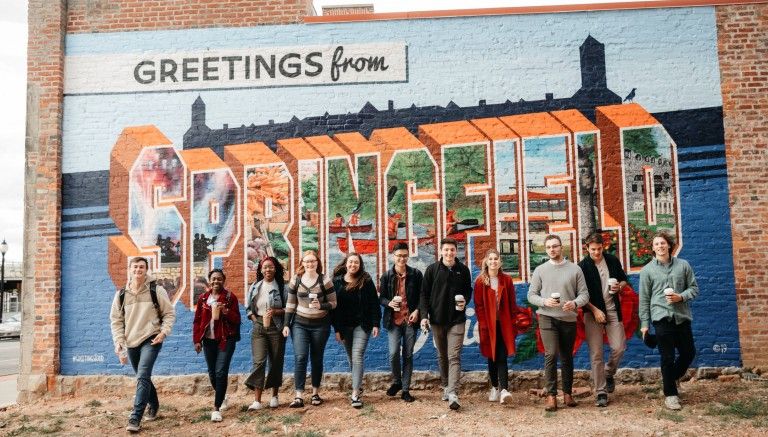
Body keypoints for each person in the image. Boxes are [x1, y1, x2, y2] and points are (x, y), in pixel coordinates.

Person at [110, 257, 176, 433]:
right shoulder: (121, 294)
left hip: (151, 338)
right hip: (131, 340)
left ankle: (135, 417)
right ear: (129, 269)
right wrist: (119, 342)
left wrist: (163, 333)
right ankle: (153, 404)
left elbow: (169, 314)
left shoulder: (156, 290)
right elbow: (116, 321)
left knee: (142, 375)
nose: (138, 270)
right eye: (135, 267)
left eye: (142, 267)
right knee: (142, 376)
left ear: (146, 270)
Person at [527, 234, 589, 412]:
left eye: (555, 246)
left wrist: (575, 303)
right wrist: (544, 302)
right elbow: (531, 295)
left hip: (568, 318)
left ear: (561, 247)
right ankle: (551, 395)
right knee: (551, 354)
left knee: (567, 356)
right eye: (548, 247)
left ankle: (568, 393)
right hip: (547, 317)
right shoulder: (540, 270)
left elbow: (584, 295)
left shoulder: (575, 269)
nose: (552, 250)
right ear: (546, 249)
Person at [639, 231, 698, 411]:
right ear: (652, 248)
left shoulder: (684, 265)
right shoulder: (647, 270)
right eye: (656, 244)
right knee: (667, 357)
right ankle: (671, 395)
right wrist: (644, 324)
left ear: (669, 245)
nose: (660, 246)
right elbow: (644, 299)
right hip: (661, 317)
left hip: (681, 316)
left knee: (689, 353)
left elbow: (694, 289)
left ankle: (670, 380)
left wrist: (681, 297)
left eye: (663, 243)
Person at [419, 238, 472, 410]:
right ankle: (445, 385)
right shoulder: (432, 270)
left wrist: (465, 301)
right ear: (440, 251)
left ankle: (453, 392)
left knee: (454, 356)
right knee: (442, 355)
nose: (449, 253)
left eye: (452, 250)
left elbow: (468, 291)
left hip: (457, 320)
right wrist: (424, 316)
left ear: (456, 251)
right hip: (437, 320)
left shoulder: (463, 270)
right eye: (446, 250)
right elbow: (424, 295)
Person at [578, 232, 629, 407]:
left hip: (613, 310)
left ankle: (608, 373)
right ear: (586, 248)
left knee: (619, 347)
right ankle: (601, 392)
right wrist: (594, 310)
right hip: (592, 313)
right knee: (596, 354)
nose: (597, 252)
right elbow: (580, 295)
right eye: (593, 249)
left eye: (599, 249)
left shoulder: (612, 260)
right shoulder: (582, 267)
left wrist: (619, 287)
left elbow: (623, 280)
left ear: (603, 246)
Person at [282, 250, 337, 408]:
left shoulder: (324, 279)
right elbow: (291, 303)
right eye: (307, 261)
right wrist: (286, 324)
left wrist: (321, 305)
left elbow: (334, 303)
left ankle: (315, 393)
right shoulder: (296, 279)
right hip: (300, 324)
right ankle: (298, 396)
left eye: (313, 261)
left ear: (317, 262)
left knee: (316, 357)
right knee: (300, 357)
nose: (310, 264)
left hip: (321, 324)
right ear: (302, 263)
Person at [331, 253, 381, 408]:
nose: (353, 265)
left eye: (356, 263)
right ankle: (358, 386)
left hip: (362, 324)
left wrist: (375, 323)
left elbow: (374, 302)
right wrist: (337, 329)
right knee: (351, 357)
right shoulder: (337, 282)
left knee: (357, 355)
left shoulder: (365, 280)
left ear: (360, 265)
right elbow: (334, 309)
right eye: (351, 262)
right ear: (346, 264)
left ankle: (355, 393)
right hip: (345, 326)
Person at [192, 269, 242, 422]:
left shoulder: (229, 297)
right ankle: (222, 395)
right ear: (209, 281)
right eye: (213, 279)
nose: (216, 282)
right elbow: (197, 321)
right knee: (213, 374)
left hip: (226, 340)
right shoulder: (202, 299)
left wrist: (225, 311)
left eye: (219, 279)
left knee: (220, 372)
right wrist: (197, 340)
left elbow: (237, 320)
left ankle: (216, 408)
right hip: (208, 341)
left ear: (223, 280)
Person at [474, 249, 522, 405]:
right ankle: (494, 386)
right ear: (486, 261)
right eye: (491, 259)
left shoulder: (506, 280)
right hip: (488, 325)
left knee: (501, 356)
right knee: (491, 356)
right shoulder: (480, 281)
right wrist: (483, 325)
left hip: (504, 324)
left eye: (496, 259)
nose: (493, 261)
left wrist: (513, 322)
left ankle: (504, 390)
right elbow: (479, 306)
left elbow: (512, 303)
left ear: (500, 262)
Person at [379, 242, 422, 403]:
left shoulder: (416, 274)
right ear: (393, 256)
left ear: (408, 256)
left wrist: (417, 311)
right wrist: (389, 303)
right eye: (399, 256)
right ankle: (397, 381)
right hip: (393, 320)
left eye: (404, 255)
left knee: (409, 355)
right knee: (393, 353)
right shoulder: (386, 276)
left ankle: (405, 389)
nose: (402, 259)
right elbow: (381, 298)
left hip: (410, 320)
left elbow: (422, 297)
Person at [244, 257, 288, 410]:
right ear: (261, 270)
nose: (268, 270)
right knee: (259, 362)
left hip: (276, 326)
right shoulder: (255, 286)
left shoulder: (283, 287)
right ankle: (257, 400)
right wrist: (255, 320)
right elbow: (249, 308)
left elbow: (289, 309)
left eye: (270, 267)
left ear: (275, 269)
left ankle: (274, 396)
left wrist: (276, 311)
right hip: (259, 327)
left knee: (276, 361)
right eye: (265, 267)